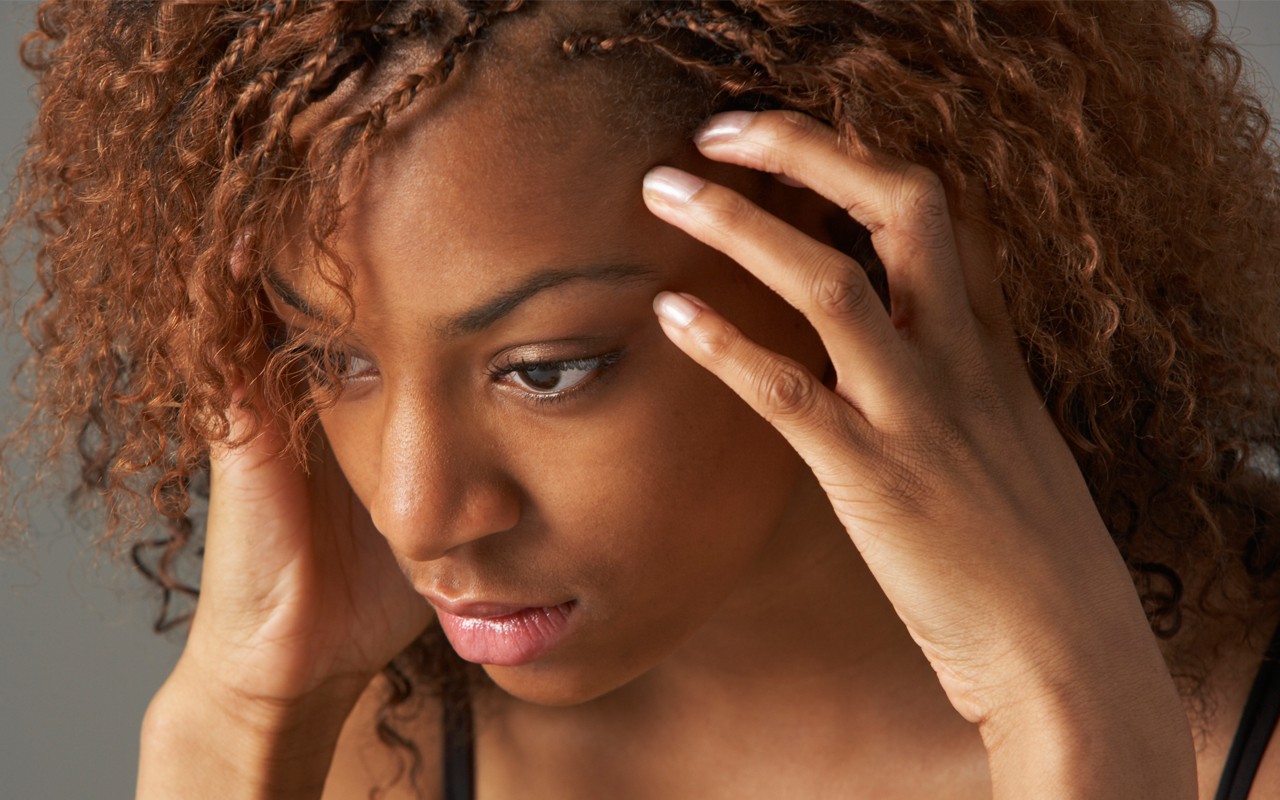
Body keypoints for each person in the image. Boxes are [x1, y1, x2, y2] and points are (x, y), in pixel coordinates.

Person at [3, 0, 1279, 797]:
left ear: (844, 244)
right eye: (332, 359)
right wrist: (240, 720)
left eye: (544, 367)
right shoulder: (365, 751)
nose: (415, 510)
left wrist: (1072, 716)